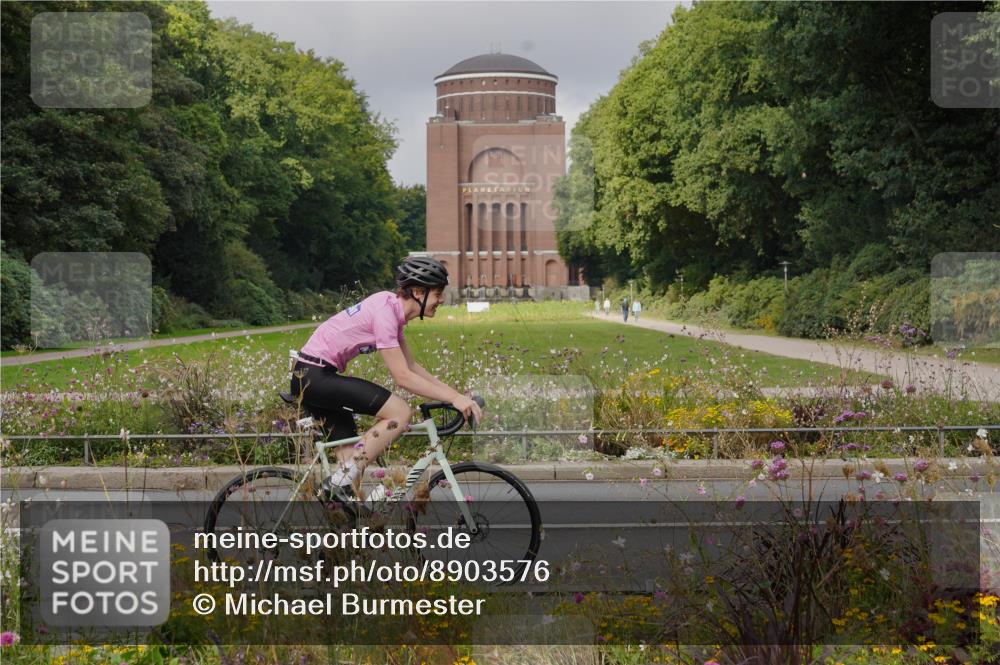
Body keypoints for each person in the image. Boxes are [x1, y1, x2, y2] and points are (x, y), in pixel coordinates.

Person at [290, 256, 483, 503]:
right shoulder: (385, 313)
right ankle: (339, 488)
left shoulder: (391, 310)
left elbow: (412, 366)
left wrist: (457, 396)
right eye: (437, 293)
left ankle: (347, 532)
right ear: (417, 292)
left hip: (314, 376)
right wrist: (454, 398)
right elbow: (403, 377)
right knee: (400, 413)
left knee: (350, 473)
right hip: (314, 376)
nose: (442, 300)